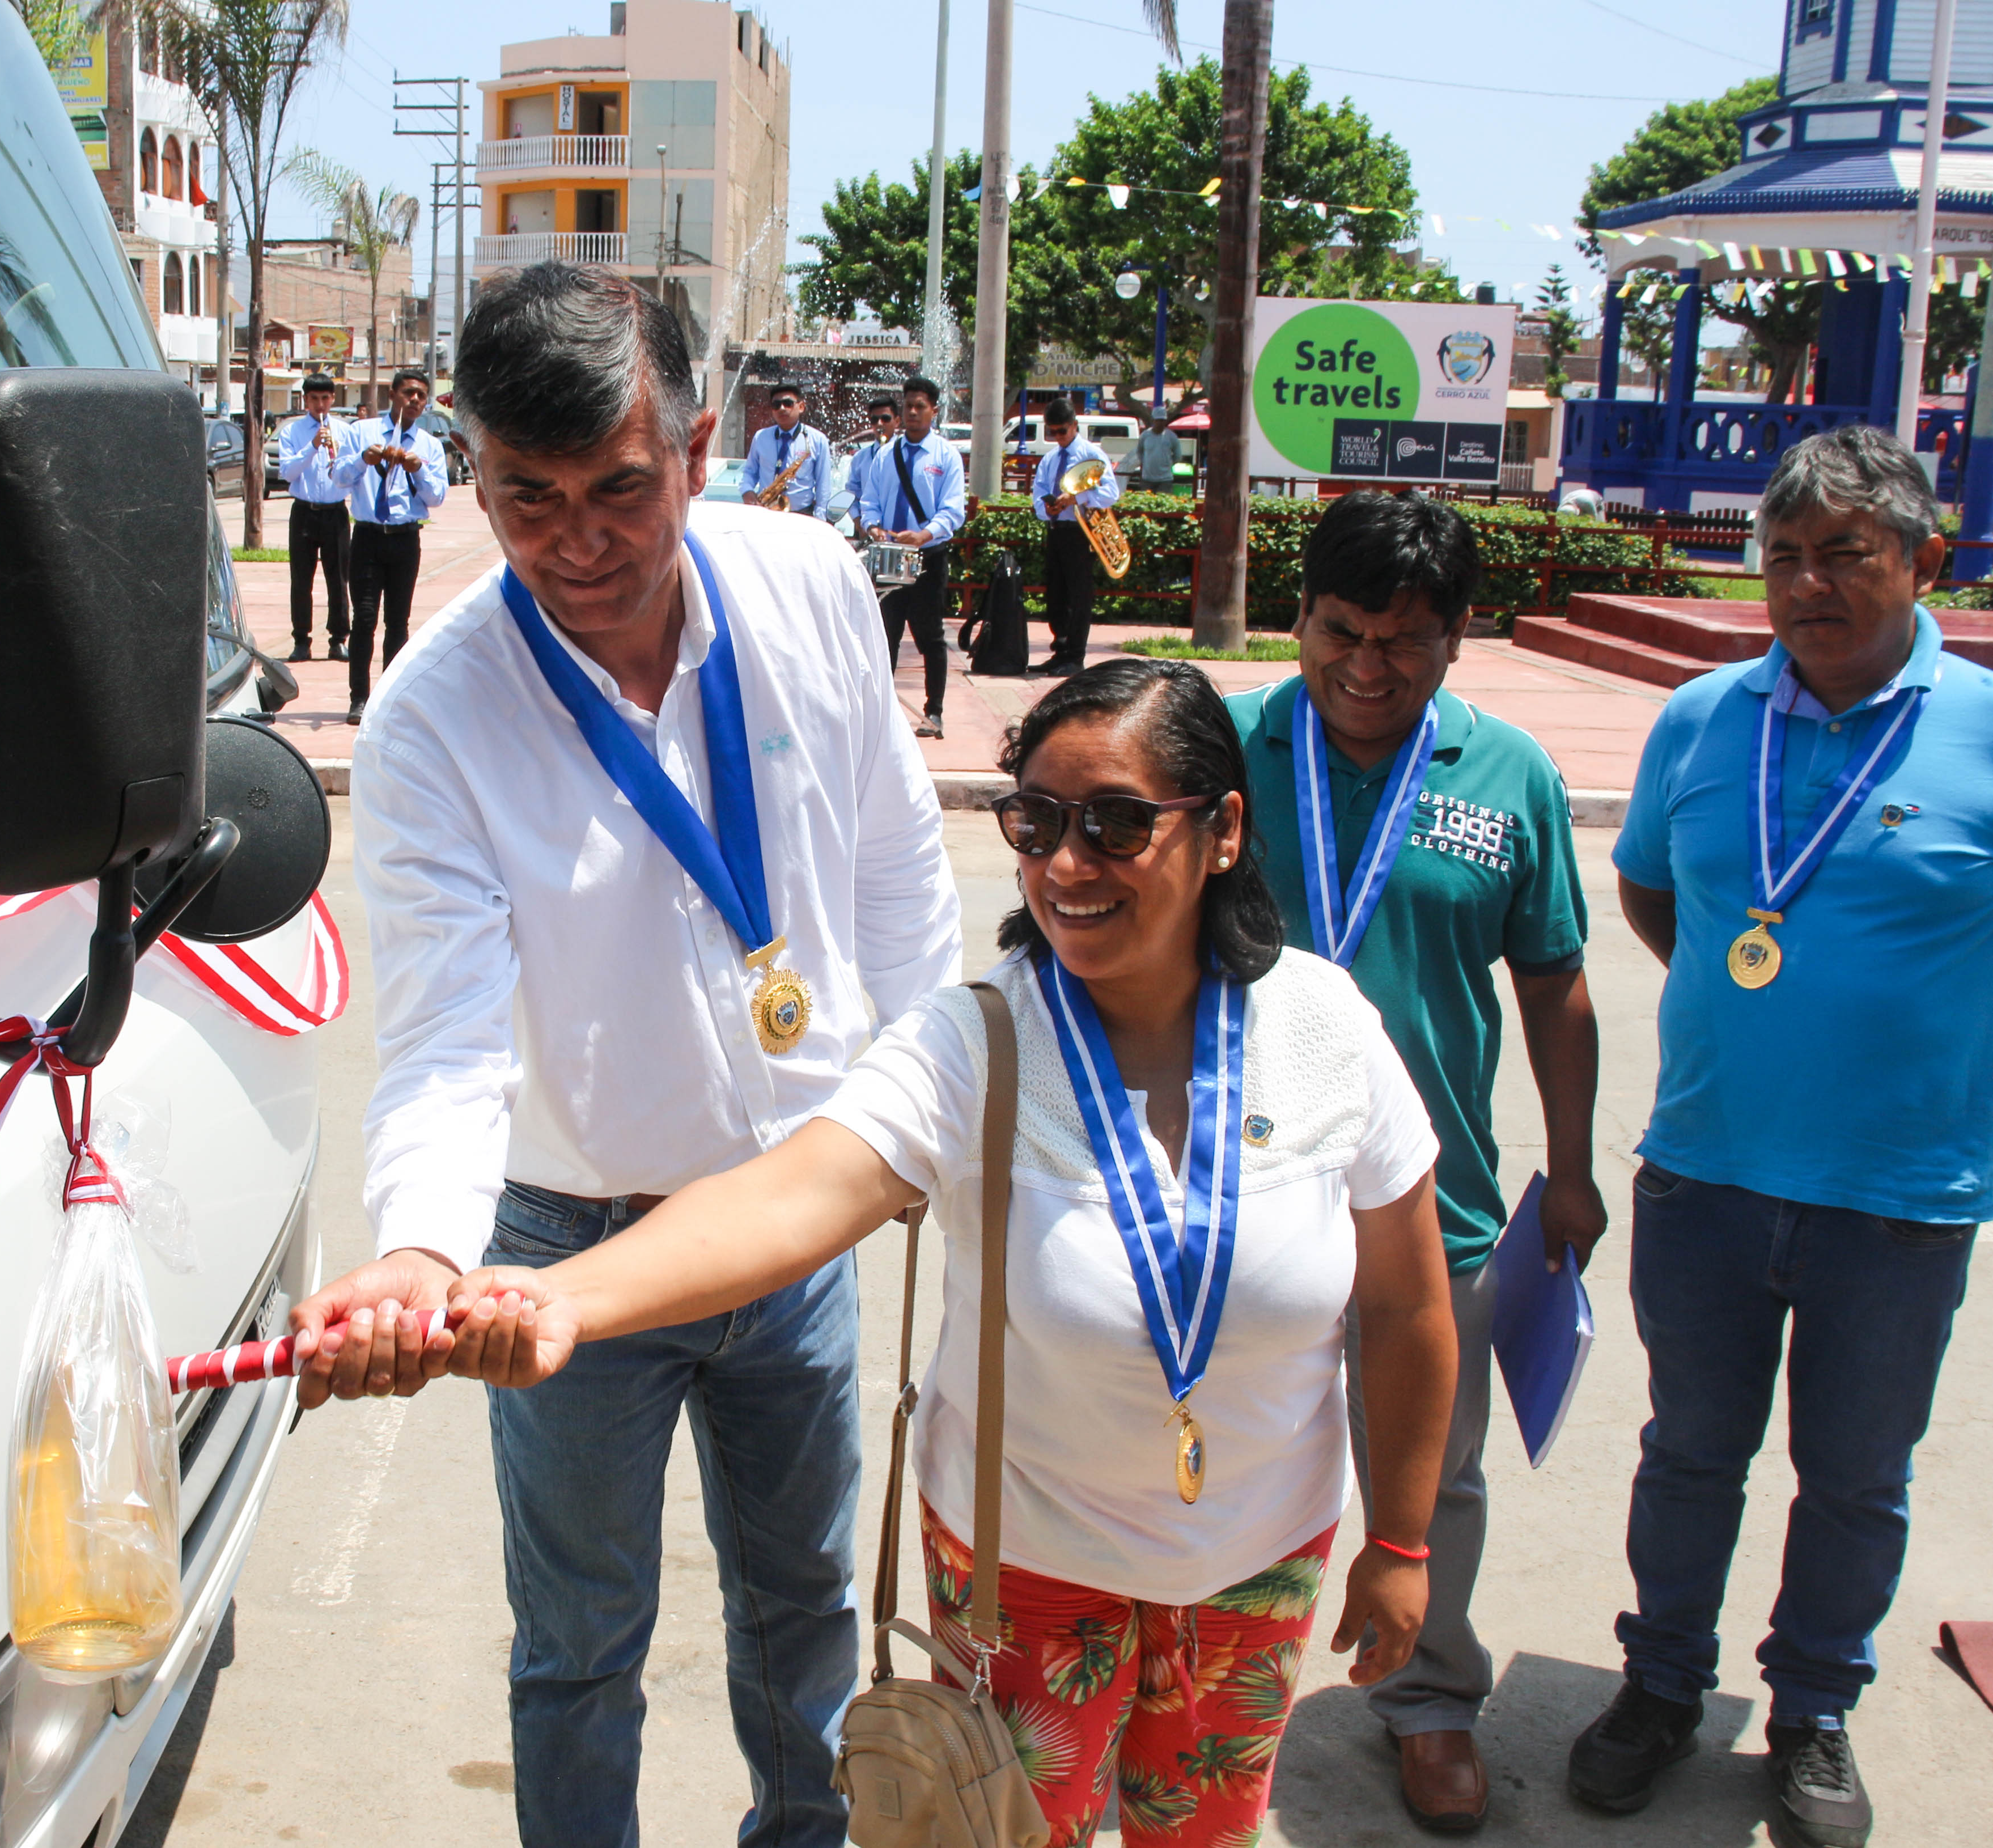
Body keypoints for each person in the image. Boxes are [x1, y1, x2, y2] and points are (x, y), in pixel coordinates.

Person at [442, 659, 1462, 1848]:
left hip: (1258, 1563)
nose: (1067, 865)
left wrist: (1399, 1542)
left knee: (1204, 1836)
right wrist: (560, 1295)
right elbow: (791, 1196)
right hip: (1028, 1571)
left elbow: (1405, 1309)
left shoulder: (1324, 1026)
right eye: (1035, 821)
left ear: (1224, 829)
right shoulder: (979, 1041)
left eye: (1118, 824)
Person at [288, 262, 964, 1848]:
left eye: (620, 491)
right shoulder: (432, 721)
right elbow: (447, 1042)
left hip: (796, 1221)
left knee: (802, 1605)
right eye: (528, 499)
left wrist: (919, 1113)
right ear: (473, 469)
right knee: (579, 1640)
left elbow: (895, 870)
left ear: (702, 443)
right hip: (562, 1251)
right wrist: (416, 1251)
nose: (579, 544)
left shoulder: (810, 588)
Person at [1581, 425, 1987, 1847]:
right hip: (1702, 1173)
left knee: (1854, 1475)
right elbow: (1651, 897)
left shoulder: (1983, 728)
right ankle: (1658, 1683)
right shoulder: (1699, 717)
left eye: (1844, 555)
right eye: (1783, 557)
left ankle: (1812, 1708)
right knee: (1687, 1449)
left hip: (1898, 1194)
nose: (1806, 583)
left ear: (1922, 560)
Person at [1225, 490, 1602, 1833]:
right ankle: (1186, 1687)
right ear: (1301, 619)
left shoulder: (1509, 777)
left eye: (1404, 639)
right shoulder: (1228, 746)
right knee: (1202, 1449)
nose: (1366, 668)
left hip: (1427, 1206)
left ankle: (1429, 1695)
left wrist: (1567, 1164)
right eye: (1339, 631)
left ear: (1457, 639)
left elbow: (1553, 977)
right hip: (1241, 1189)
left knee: (1427, 1472)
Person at [334, 368, 450, 724]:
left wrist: (418, 470)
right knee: (364, 618)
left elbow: (437, 496)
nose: (415, 401)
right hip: (369, 537)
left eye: (421, 395)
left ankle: (390, 697)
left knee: (398, 623)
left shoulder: (428, 445)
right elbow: (339, 478)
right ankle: (360, 698)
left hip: (405, 538)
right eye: (408, 393)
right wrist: (362, 461)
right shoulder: (361, 433)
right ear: (392, 395)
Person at [854, 375, 968, 739]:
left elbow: (953, 510)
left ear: (934, 411)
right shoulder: (887, 455)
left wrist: (924, 534)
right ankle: (882, 716)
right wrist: (872, 527)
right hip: (890, 556)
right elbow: (869, 501)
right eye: (908, 407)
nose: (914, 412)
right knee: (885, 634)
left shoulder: (946, 455)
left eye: (921, 407)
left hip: (928, 557)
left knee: (930, 636)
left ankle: (933, 712)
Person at [1028, 400, 1122, 676]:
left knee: (1079, 595)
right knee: (1055, 594)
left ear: (1075, 426)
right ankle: (1061, 650)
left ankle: (1076, 656)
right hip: (1057, 530)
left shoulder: (1091, 455)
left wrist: (1077, 498)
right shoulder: (1050, 459)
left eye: (1062, 431)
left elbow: (1111, 493)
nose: (1058, 437)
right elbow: (1039, 492)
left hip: (1082, 533)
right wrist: (1048, 507)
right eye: (1053, 432)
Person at [277, 372, 353, 662]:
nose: (320, 405)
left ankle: (338, 639)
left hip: (335, 513)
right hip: (305, 512)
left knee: (338, 578)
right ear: (305, 400)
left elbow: (350, 471)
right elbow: (287, 472)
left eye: (325, 399)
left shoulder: (345, 431)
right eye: (314, 399)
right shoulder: (292, 432)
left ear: (332, 400)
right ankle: (301, 640)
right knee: (301, 579)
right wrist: (312, 447)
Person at [744, 385, 832, 514]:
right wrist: (747, 490)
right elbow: (750, 472)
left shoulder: (818, 440)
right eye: (776, 405)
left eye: (788, 403)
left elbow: (823, 485)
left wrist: (820, 518)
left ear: (801, 407)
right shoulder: (760, 437)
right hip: (766, 511)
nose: (782, 409)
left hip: (802, 514)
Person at [838, 395, 900, 531]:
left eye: (886, 419)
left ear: (897, 421)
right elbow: (852, 494)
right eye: (875, 420)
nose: (879, 424)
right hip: (867, 529)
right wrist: (858, 522)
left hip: (898, 530)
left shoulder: (904, 454)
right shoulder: (861, 457)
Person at [1138, 413, 1182, 493]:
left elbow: (1178, 456)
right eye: (1158, 420)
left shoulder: (1172, 436)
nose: (1160, 423)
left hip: (1165, 480)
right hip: (1147, 479)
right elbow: (1139, 452)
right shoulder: (1145, 435)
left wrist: (1168, 464)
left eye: (1162, 421)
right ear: (1153, 421)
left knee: (1164, 504)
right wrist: (1145, 463)